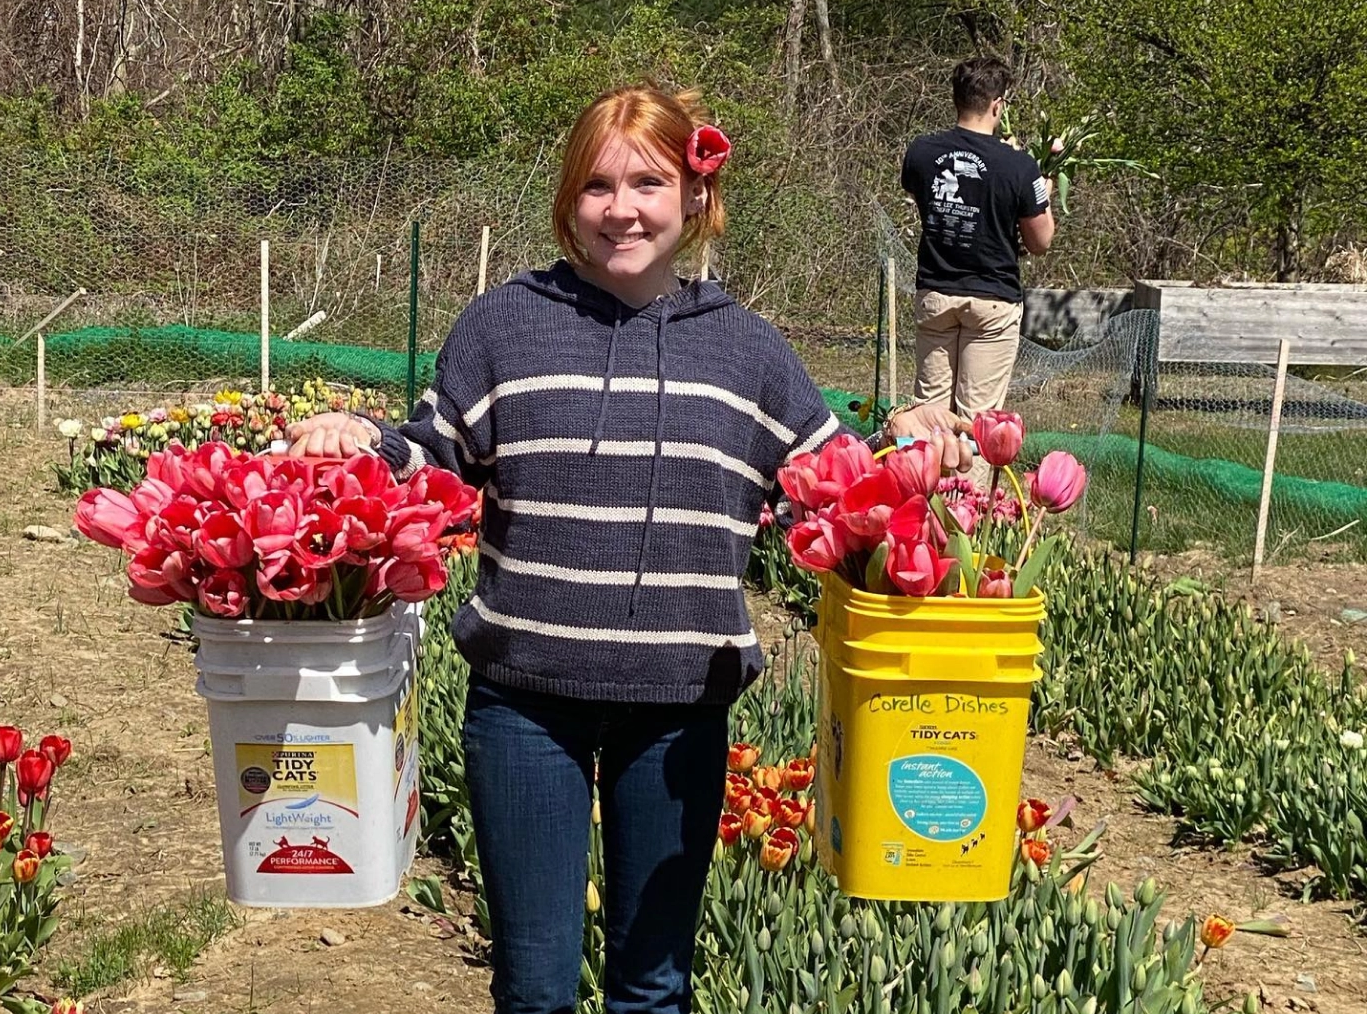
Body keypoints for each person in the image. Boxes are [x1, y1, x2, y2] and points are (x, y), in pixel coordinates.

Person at [286, 84, 972, 1014]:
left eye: (647, 182)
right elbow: (435, 450)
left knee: (653, 989)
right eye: (597, 186)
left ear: (694, 196)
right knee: (532, 988)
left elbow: (838, 477)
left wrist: (914, 440)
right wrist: (357, 436)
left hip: (680, 710)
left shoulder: (748, 352)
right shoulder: (504, 327)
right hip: (526, 705)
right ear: (570, 204)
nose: (622, 209)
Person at [900, 56, 1055, 418]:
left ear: (957, 98)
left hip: (936, 294)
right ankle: (973, 478)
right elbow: (1040, 241)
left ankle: (925, 476)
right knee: (976, 423)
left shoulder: (921, 152)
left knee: (929, 417)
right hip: (992, 300)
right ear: (997, 105)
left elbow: (925, 197)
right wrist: (1040, 196)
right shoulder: (1018, 166)